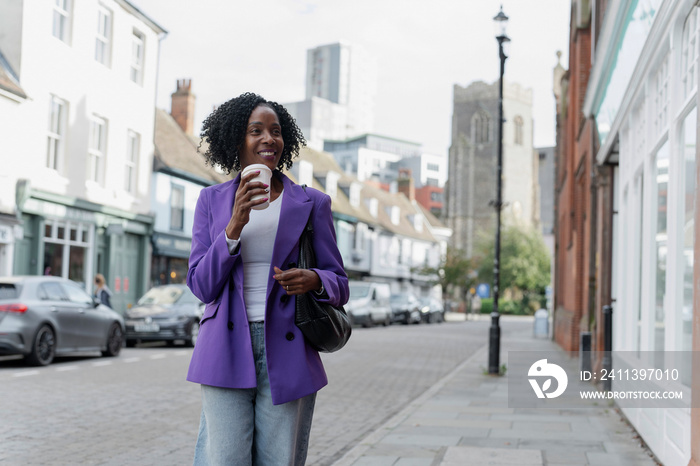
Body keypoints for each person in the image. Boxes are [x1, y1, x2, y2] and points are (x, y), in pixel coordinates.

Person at [186, 92, 349, 465]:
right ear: (236, 141)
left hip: (289, 347)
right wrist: (233, 226)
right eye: (255, 130)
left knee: (279, 460)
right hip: (224, 348)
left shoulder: (312, 204)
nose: (268, 139)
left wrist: (313, 279)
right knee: (225, 459)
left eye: (275, 132)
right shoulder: (211, 201)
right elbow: (201, 286)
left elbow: (340, 284)